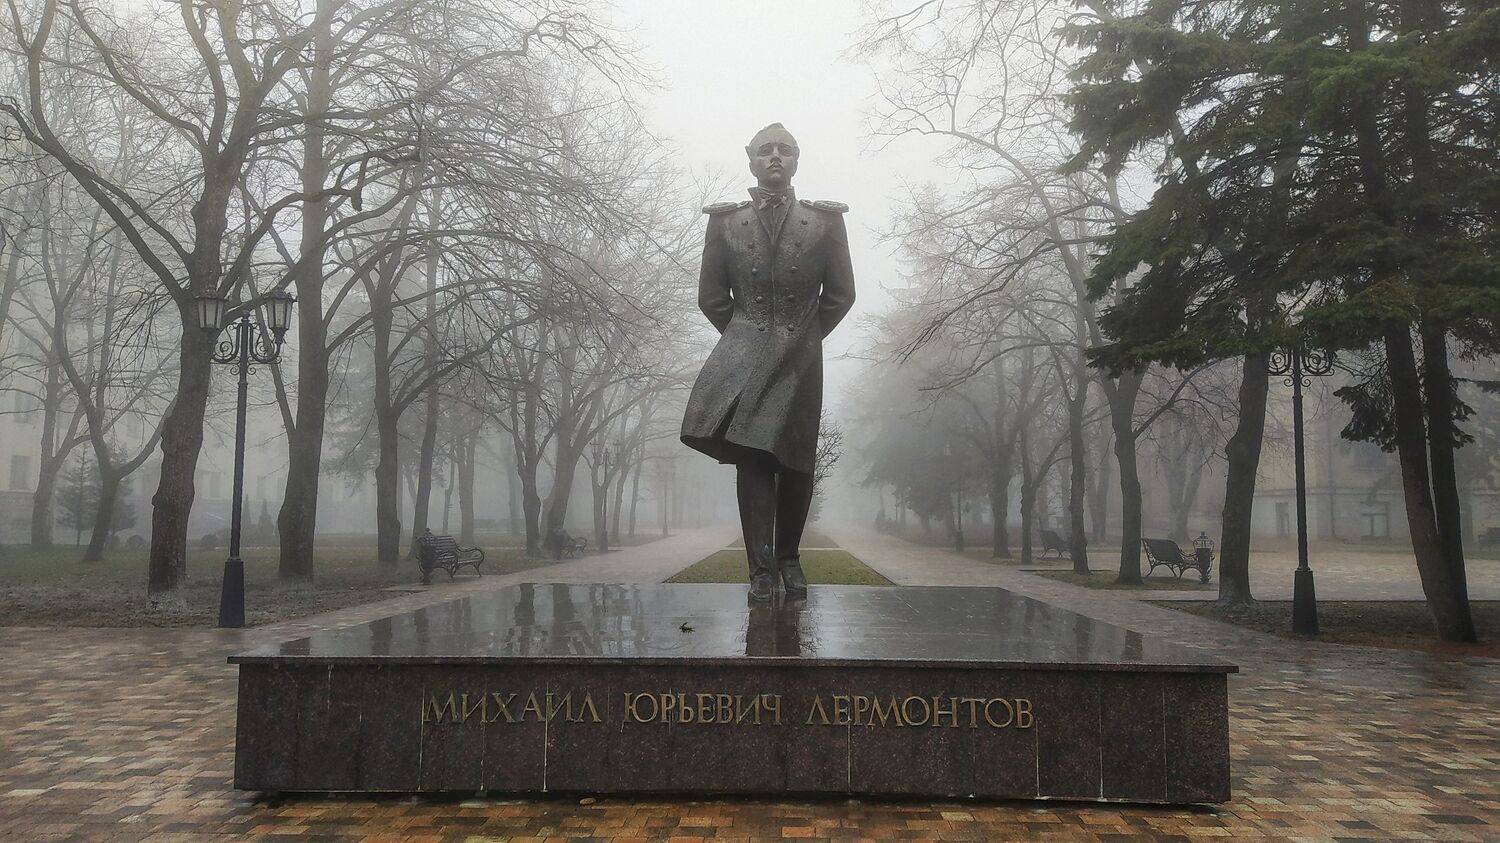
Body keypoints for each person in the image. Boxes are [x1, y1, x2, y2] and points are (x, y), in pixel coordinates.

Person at [680, 123, 856, 601]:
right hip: (748, 355)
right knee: (754, 458)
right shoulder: (725, 222)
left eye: (785, 149)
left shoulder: (825, 221)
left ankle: (790, 560)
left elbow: (841, 294)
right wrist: (747, 339)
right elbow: (711, 296)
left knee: (797, 459)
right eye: (765, 150)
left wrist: (803, 338)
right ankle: (760, 568)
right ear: (751, 159)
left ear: (797, 159)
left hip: (802, 358)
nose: (775, 156)